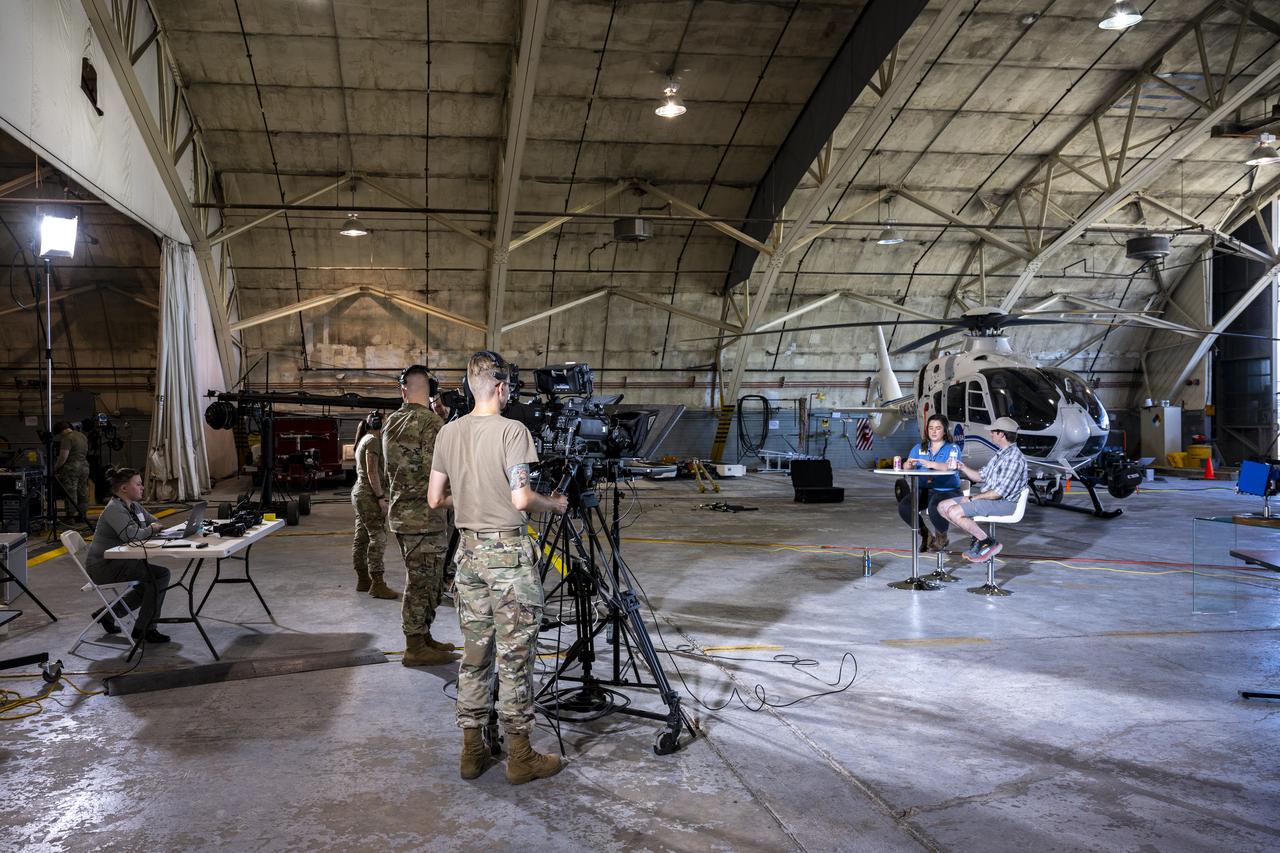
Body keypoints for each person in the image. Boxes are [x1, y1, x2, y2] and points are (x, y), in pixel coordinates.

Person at [428, 350, 569, 785]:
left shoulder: (448, 432)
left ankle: (472, 752)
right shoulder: (512, 430)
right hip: (507, 558)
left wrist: (471, 498)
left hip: (468, 557)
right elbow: (522, 498)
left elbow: (435, 499)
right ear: (502, 388)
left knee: (475, 655)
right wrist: (554, 504)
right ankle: (520, 756)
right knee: (514, 658)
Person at [383, 365, 458, 667]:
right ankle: (414, 646)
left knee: (424, 580)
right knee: (423, 583)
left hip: (402, 515)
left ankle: (423, 636)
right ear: (430, 392)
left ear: (403, 390)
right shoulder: (432, 423)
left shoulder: (391, 421)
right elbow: (437, 471)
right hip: (426, 517)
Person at [85, 466, 171, 645]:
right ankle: (145, 629)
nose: (142, 488)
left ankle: (108, 615)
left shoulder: (134, 507)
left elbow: (154, 522)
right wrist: (150, 529)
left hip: (119, 562)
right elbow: (131, 536)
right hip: (104, 568)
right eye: (138, 484)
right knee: (160, 576)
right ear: (124, 488)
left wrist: (150, 528)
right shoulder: (114, 509)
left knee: (148, 585)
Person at [936, 416, 1028, 562]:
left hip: (1004, 503)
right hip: (990, 499)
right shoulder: (1000, 454)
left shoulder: (1014, 459)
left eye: (993, 431)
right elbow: (980, 476)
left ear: (1001, 434)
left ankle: (987, 542)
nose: (990, 434)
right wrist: (962, 467)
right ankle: (979, 538)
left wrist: (971, 498)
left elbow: (998, 493)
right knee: (942, 507)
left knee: (954, 511)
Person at [351, 412, 399, 600]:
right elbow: (372, 472)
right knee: (378, 537)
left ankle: (363, 580)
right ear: (380, 424)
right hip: (368, 495)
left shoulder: (365, 438)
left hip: (360, 492)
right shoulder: (373, 441)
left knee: (362, 537)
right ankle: (377, 584)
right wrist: (380, 498)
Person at [898, 414, 963, 552]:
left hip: (947, 491)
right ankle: (926, 535)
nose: (933, 431)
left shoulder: (952, 448)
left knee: (935, 505)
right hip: (924, 490)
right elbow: (907, 466)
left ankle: (941, 537)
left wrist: (931, 464)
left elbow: (950, 466)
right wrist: (907, 465)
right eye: (931, 428)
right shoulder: (918, 448)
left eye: (938, 428)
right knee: (905, 506)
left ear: (944, 431)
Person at [54, 421, 90, 522]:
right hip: (84, 466)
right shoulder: (81, 435)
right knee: (82, 490)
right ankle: (82, 515)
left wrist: (55, 468)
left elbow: (63, 458)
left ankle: (71, 517)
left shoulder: (67, 438)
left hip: (72, 468)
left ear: (60, 431)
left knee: (71, 492)